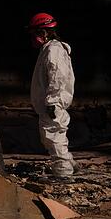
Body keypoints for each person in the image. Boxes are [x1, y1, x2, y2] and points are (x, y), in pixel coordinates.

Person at [28, 13, 76, 181]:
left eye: (35, 34)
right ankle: (68, 164)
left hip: (53, 103)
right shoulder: (49, 49)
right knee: (53, 135)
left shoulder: (53, 50)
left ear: (43, 33)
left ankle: (63, 173)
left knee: (54, 135)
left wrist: (53, 101)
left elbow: (57, 77)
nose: (33, 39)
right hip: (50, 102)